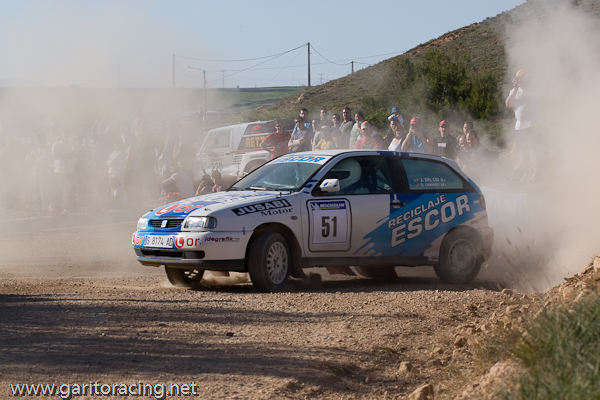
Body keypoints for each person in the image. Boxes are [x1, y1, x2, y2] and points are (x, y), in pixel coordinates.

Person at [505, 69, 539, 182]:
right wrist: (515, 88)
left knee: (534, 150)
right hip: (520, 126)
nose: (522, 80)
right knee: (523, 151)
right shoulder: (514, 91)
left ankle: (536, 174)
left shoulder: (533, 89)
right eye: (519, 78)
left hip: (533, 124)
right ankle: (526, 174)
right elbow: (508, 104)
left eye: (523, 77)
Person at [51, 129, 78, 214]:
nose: (67, 135)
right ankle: (57, 209)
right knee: (58, 192)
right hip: (58, 171)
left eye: (68, 133)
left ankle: (72, 209)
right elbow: (55, 156)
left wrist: (61, 154)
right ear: (61, 134)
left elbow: (73, 153)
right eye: (65, 133)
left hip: (70, 171)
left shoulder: (73, 144)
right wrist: (67, 154)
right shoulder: (56, 144)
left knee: (71, 191)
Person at [26, 134, 53, 214]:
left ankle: (46, 208)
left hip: (44, 173)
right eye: (38, 139)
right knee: (37, 191)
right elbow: (27, 159)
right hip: (35, 173)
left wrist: (34, 160)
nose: (39, 141)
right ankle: (41, 209)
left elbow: (42, 160)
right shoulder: (35, 150)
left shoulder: (47, 149)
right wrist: (34, 160)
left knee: (43, 191)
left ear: (44, 140)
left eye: (41, 139)